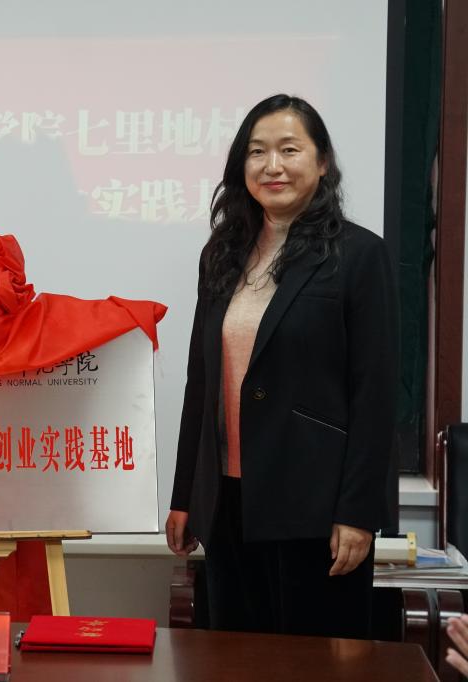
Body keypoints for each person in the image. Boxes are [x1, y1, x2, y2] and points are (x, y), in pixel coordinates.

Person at [165, 94, 397, 638]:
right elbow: (202, 383)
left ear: (322, 162)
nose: (273, 165)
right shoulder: (222, 254)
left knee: (313, 665)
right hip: (229, 504)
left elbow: (376, 393)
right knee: (234, 661)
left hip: (316, 508)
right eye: (257, 151)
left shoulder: (358, 255)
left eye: (290, 149)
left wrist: (359, 512)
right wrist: (185, 496)